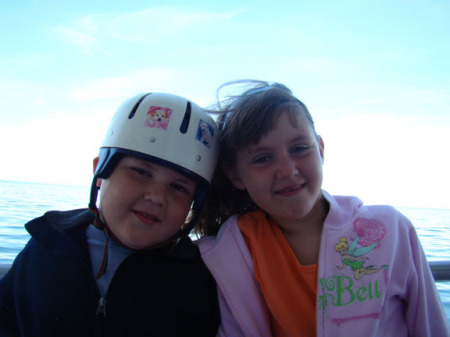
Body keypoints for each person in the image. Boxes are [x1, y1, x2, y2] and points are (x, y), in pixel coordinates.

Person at [196, 80, 450, 337]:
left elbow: (431, 326)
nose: (287, 170)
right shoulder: (232, 249)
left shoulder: (392, 230)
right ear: (235, 174)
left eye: (299, 148)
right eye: (263, 158)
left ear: (320, 150)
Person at [0, 92, 221, 336]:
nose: (157, 197)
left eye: (179, 187)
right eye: (141, 172)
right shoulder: (48, 244)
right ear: (100, 171)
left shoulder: (197, 280)